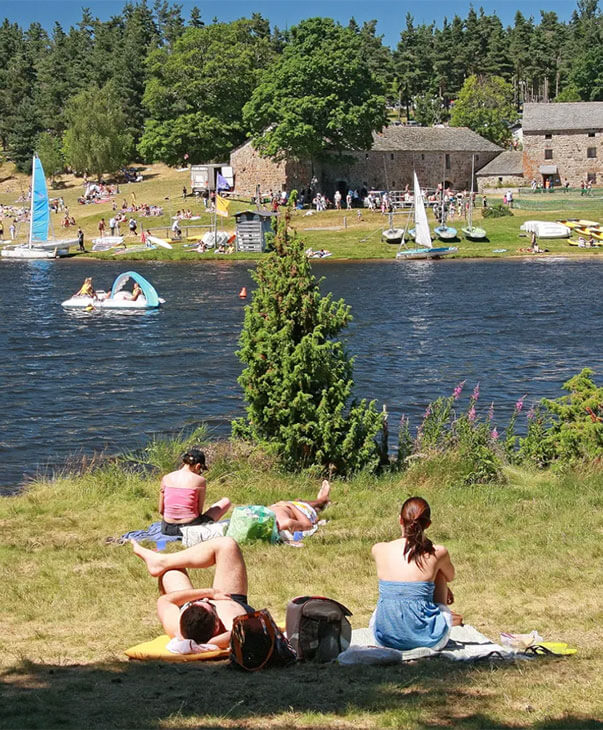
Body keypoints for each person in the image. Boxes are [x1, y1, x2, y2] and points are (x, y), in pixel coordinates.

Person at [369, 496, 462, 651]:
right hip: (430, 641)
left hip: (385, 638)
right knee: (439, 572)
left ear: (400, 520)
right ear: (428, 524)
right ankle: (431, 623)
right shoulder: (438, 552)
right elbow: (450, 576)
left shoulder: (379, 549)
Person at [132, 536, 253, 648]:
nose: (205, 599)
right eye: (212, 606)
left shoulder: (176, 627)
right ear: (217, 625)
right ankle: (160, 561)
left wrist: (209, 593)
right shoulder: (233, 628)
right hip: (230, 598)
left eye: (191, 606)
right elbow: (237, 635)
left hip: (206, 601)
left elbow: (165, 600)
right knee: (227, 545)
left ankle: (161, 562)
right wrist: (208, 644)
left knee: (170, 570)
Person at [159, 449, 231, 536]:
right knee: (226, 501)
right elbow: (199, 511)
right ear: (197, 466)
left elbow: (161, 510)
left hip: (167, 528)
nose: (200, 473)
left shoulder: (166, 478)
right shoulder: (200, 480)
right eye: (201, 470)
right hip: (191, 528)